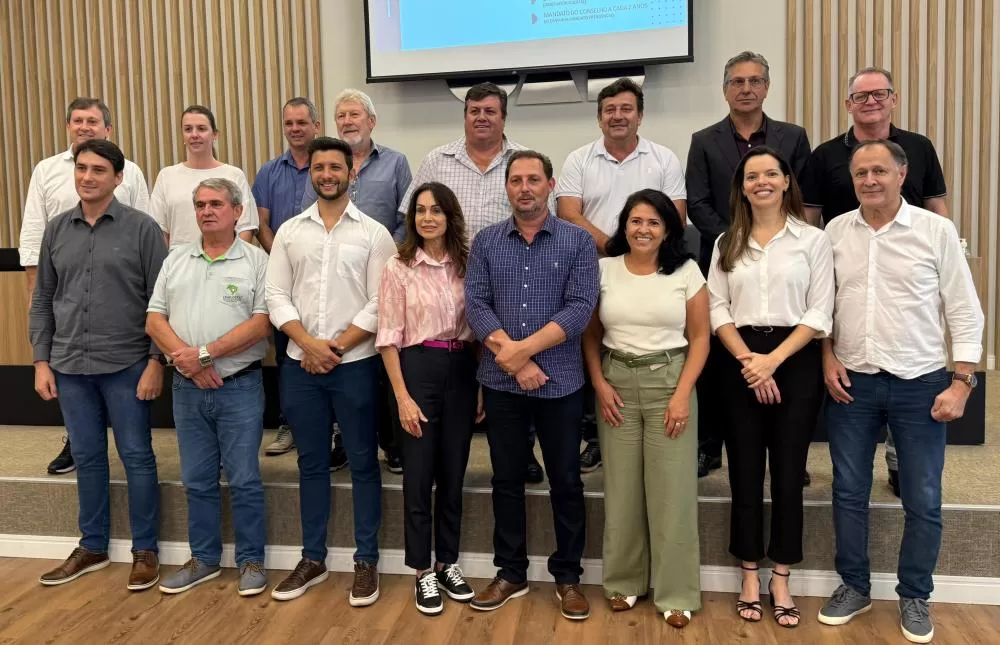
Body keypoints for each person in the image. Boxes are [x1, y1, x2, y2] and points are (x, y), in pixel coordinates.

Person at [818, 140, 982, 645]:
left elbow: (964, 309)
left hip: (922, 382)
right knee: (847, 492)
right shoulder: (834, 232)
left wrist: (962, 381)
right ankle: (855, 586)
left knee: (923, 496)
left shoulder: (936, 231)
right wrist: (826, 356)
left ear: (902, 174)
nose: (869, 180)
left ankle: (915, 594)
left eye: (879, 171)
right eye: (861, 172)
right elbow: (822, 304)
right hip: (852, 383)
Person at [801, 67, 949, 497]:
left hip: (906, 275)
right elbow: (811, 220)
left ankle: (898, 459)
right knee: (857, 377)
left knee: (905, 374)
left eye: (879, 94)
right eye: (860, 96)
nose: (870, 102)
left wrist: (946, 258)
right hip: (847, 274)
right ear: (848, 104)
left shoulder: (918, 148)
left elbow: (937, 206)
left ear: (893, 98)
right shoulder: (826, 154)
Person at [464, 151, 599, 620]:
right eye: (516, 180)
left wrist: (523, 351)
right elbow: (477, 306)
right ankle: (511, 573)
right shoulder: (485, 242)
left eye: (533, 179)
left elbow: (581, 308)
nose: (525, 187)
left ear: (550, 184)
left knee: (565, 480)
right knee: (506, 479)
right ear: (507, 187)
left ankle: (568, 577)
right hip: (503, 384)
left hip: (559, 382)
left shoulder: (578, 242)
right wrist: (514, 360)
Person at [29, 139, 167, 591]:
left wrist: (155, 362)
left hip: (127, 364)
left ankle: (145, 550)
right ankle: (92, 546)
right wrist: (41, 361)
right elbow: (43, 300)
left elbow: (161, 304)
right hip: (69, 366)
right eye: (81, 168)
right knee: (87, 457)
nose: (87, 177)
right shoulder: (55, 230)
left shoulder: (143, 229)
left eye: (98, 170)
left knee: (137, 458)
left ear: (118, 178)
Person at [266, 137, 397, 604]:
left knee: (363, 462)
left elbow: (382, 302)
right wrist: (306, 343)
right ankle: (313, 559)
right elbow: (276, 295)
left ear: (351, 173)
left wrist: (335, 347)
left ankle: (366, 561)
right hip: (301, 366)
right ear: (311, 174)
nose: (327, 174)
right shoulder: (288, 232)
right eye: (319, 167)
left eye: (335, 167)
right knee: (311, 463)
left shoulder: (375, 234)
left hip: (355, 366)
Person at [706, 147, 834, 628]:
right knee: (742, 471)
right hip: (738, 359)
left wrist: (773, 362)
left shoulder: (813, 240)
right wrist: (748, 361)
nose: (761, 181)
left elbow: (820, 311)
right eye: (751, 175)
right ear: (742, 186)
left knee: (787, 472)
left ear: (785, 182)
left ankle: (781, 574)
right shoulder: (726, 242)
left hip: (794, 359)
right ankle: (749, 573)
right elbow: (717, 307)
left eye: (770, 174)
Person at [401, 82, 547, 482]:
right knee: (465, 365)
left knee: (514, 357)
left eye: (490, 111)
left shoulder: (521, 163)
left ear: (503, 117)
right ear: (465, 116)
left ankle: (524, 449)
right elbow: (414, 216)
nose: (481, 117)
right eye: (474, 110)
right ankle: (456, 440)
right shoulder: (437, 160)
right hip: (448, 279)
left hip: (513, 282)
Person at [582, 189, 709, 628]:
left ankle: (675, 592)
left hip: (669, 383)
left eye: (654, 222)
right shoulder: (604, 270)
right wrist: (599, 384)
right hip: (615, 383)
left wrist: (681, 394)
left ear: (668, 229)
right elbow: (591, 336)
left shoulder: (687, 272)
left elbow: (701, 339)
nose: (643, 229)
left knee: (671, 493)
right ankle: (623, 583)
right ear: (624, 225)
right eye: (635, 221)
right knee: (621, 489)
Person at [686, 51, 811, 480]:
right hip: (726, 258)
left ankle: (789, 456)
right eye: (737, 82)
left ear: (766, 87)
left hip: (784, 255)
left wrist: (773, 240)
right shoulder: (704, 139)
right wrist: (737, 237)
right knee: (719, 362)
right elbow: (697, 203)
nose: (746, 89)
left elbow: (804, 199)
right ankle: (711, 446)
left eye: (755, 81)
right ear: (725, 89)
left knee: (788, 380)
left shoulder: (792, 136)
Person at [146, 178, 271, 597]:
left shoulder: (257, 260)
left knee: (244, 478)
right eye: (200, 204)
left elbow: (261, 322)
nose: (206, 211)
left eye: (216, 203)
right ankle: (203, 559)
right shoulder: (176, 258)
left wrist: (204, 354)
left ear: (237, 211)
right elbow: (154, 319)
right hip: (187, 389)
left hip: (239, 387)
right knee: (196, 480)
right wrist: (189, 359)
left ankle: (252, 560)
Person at [556, 77, 688, 474]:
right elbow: (568, 212)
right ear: (599, 118)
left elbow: (676, 216)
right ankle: (595, 436)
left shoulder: (663, 158)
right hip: (591, 268)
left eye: (626, 109)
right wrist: (616, 248)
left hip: (652, 271)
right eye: (610, 110)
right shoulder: (579, 159)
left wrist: (633, 249)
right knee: (590, 345)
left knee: (637, 342)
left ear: (640, 116)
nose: (618, 116)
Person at [19, 97, 151, 477]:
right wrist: (34, 287)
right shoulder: (46, 170)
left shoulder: (132, 171)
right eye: (77, 120)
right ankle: (73, 442)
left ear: (107, 128)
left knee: (132, 440)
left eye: (92, 120)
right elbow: (33, 229)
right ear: (68, 126)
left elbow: (147, 223)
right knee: (74, 391)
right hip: (65, 288)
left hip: (119, 300)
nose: (84, 126)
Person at [375, 182, 479, 616]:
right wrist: (401, 396)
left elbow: (480, 327)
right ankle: (422, 572)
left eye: (436, 210)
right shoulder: (398, 267)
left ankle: (447, 562)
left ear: (450, 215)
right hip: (416, 369)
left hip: (462, 369)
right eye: (420, 210)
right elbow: (387, 338)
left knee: (453, 473)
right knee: (418, 475)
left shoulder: (468, 264)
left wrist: (479, 389)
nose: (427, 217)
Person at [334, 88, 413, 473]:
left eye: (354, 115)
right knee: (343, 356)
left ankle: (392, 443)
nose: (348, 122)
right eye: (342, 116)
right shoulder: (328, 164)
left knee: (383, 360)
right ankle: (346, 441)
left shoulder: (396, 163)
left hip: (387, 276)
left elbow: (406, 220)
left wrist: (387, 258)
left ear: (371, 121)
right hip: (339, 279)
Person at [252, 97, 323, 460]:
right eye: (289, 123)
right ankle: (288, 423)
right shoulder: (268, 172)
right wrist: (284, 256)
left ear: (317, 125)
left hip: (326, 276)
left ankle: (332, 427)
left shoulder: (327, 167)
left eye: (301, 122)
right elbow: (259, 223)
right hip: (283, 279)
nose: (295, 129)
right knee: (287, 355)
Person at [150, 105, 259, 251]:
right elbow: (159, 230)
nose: (194, 134)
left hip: (227, 265)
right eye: (188, 129)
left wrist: (230, 260)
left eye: (201, 129)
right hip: (180, 267)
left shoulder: (233, 175)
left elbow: (246, 226)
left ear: (215, 134)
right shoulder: (166, 176)